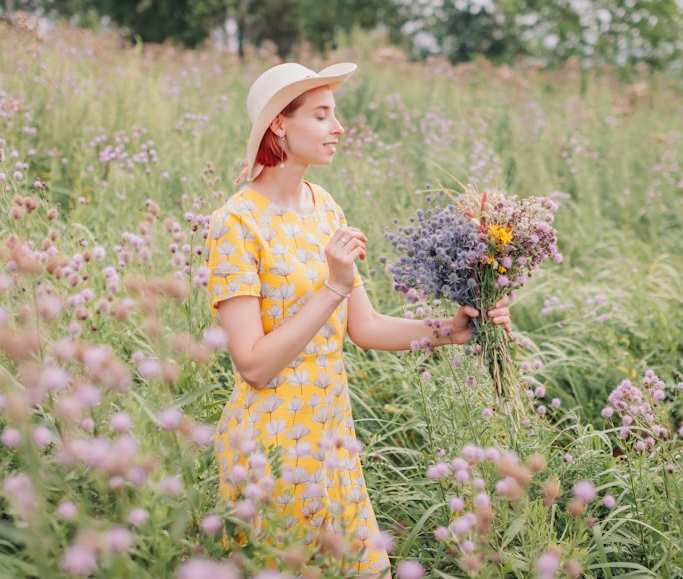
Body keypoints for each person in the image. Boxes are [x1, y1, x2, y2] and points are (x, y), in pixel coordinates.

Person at [205, 62, 511, 577]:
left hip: (334, 437)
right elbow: (253, 366)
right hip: (271, 450)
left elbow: (364, 328)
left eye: (335, 115)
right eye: (322, 115)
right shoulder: (234, 223)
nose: (339, 127)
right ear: (281, 124)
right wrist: (332, 287)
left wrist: (450, 331)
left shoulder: (325, 207)